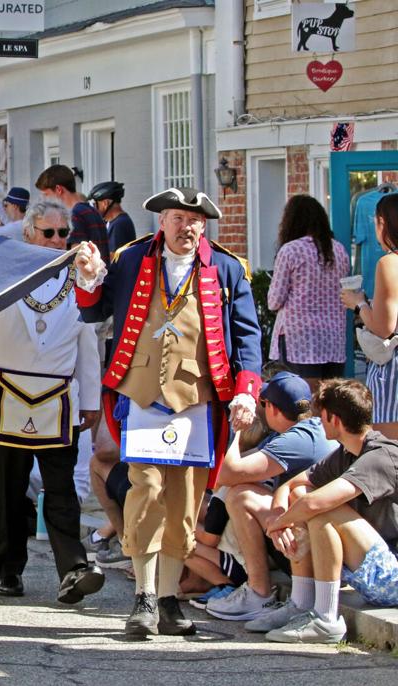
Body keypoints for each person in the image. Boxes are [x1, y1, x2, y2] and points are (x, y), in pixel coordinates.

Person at [75, 186, 262, 637]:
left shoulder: (228, 268)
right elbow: (93, 311)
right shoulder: (130, 258)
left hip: (198, 397)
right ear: (162, 221)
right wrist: (89, 277)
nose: (188, 228)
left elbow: (248, 336)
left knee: (184, 500)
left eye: (196, 221)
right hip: (141, 394)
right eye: (179, 218)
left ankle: (167, 598)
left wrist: (246, 391)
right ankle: (142, 595)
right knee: (146, 487)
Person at [0, 199, 105, 600]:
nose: (55, 240)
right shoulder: (4, 272)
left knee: (61, 491)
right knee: (9, 493)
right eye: (47, 232)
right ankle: (8, 569)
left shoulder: (80, 281)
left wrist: (91, 398)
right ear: (29, 232)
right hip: (7, 393)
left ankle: (73, 569)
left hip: (59, 397)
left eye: (62, 233)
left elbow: (88, 340)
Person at [265, 378, 398, 643]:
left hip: (392, 578)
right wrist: (279, 516)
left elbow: (316, 504)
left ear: (334, 419)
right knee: (303, 497)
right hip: (371, 574)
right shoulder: (346, 453)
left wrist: (275, 525)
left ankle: (325, 618)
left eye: (321, 417)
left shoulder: (382, 455)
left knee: (319, 508)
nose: (318, 421)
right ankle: (302, 603)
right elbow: (293, 486)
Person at [205, 371, 335, 621]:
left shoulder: (296, 439)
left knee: (239, 496)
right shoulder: (308, 428)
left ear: (273, 409)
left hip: (313, 550)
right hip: (318, 539)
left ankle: (258, 592)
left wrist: (238, 431)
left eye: (263, 405)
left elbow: (226, 474)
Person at [266, 195, 350, 390]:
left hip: (299, 337)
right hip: (333, 337)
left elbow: (274, 301)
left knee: (301, 400)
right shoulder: (339, 250)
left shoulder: (290, 250)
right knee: (329, 399)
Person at [342, 194, 398, 439]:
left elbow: (384, 327)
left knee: (389, 452)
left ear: (383, 223)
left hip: (392, 370)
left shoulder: (389, 263)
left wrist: (359, 304)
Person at [36, 165, 109, 263]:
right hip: (100, 275)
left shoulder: (74, 215)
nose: (44, 200)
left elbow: (77, 260)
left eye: (46, 195)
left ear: (58, 189)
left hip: (88, 276)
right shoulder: (92, 210)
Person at [88, 181, 137, 254]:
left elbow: (113, 258)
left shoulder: (119, 224)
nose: (94, 208)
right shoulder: (113, 222)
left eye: (95, 204)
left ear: (105, 203)